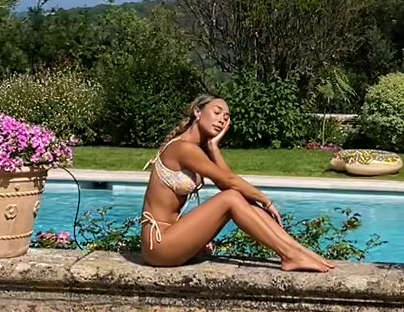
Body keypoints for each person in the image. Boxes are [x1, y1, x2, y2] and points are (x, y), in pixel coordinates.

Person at [141, 94, 333, 272]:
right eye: (217, 112)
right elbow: (229, 181)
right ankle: (290, 255)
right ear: (197, 112)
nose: (221, 120)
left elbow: (227, 183)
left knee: (239, 198)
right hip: (158, 244)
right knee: (231, 198)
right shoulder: (182, 148)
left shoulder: (195, 149)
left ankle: (298, 251)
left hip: (173, 237)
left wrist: (213, 147)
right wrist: (266, 201)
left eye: (226, 118)